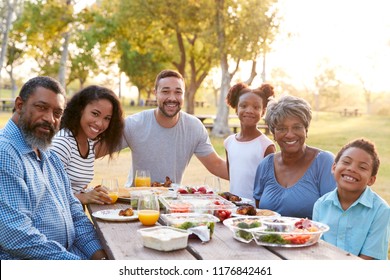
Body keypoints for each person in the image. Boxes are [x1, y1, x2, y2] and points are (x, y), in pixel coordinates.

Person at [0, 76, 107, 260]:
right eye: (41, 107)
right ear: (19, 105)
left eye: (57, 113)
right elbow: (16, 236)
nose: (49, 119)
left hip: (67, 254)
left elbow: (75, 213)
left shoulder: (48, 154)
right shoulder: (6, 153)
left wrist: (101, 256)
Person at [111, 69, 228, 185]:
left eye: (178, 92)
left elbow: (216, 165)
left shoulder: (194, 127)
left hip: (172, 201)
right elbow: (97, 149)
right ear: (155, 93)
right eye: (165, 91)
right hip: (137, 201)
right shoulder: (135, 123)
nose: (172, 98)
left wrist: (245, 176)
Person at [253, 95, 336, 219]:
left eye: (297, 127)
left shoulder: (324, 162)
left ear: (306, 130)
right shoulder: (265, 165)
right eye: (281, 128)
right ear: (273, 133)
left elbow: (332, 214)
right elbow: (259, 211)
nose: (290, 135)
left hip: (310, 238)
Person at [313, 138, 390, 260]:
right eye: (346, 162)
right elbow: (318, 250)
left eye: (362, 167)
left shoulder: (381, 210)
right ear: (334, 167)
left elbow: (369, 258)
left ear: (371, 180)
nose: (352, 169)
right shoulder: (321, 205)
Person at [51, 85, 124, 205]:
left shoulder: (89, 144)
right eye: (95, 114)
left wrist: (92, 192)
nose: (100, 123)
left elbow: (73, 188)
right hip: (57, 221)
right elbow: (47, 195)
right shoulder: (63, 143)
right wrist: (83, 198)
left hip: (75, 216)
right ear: (80, 110)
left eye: (107, 118)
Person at [224, 82, 276, 202]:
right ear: (236, 109)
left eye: (256, 107)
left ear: (263, 112)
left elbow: (270, 186)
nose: (249, 110)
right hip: (233, 208)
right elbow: (232, 178)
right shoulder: (229, 142)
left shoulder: (267, 146)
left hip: (256, 211)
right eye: (243, 106)